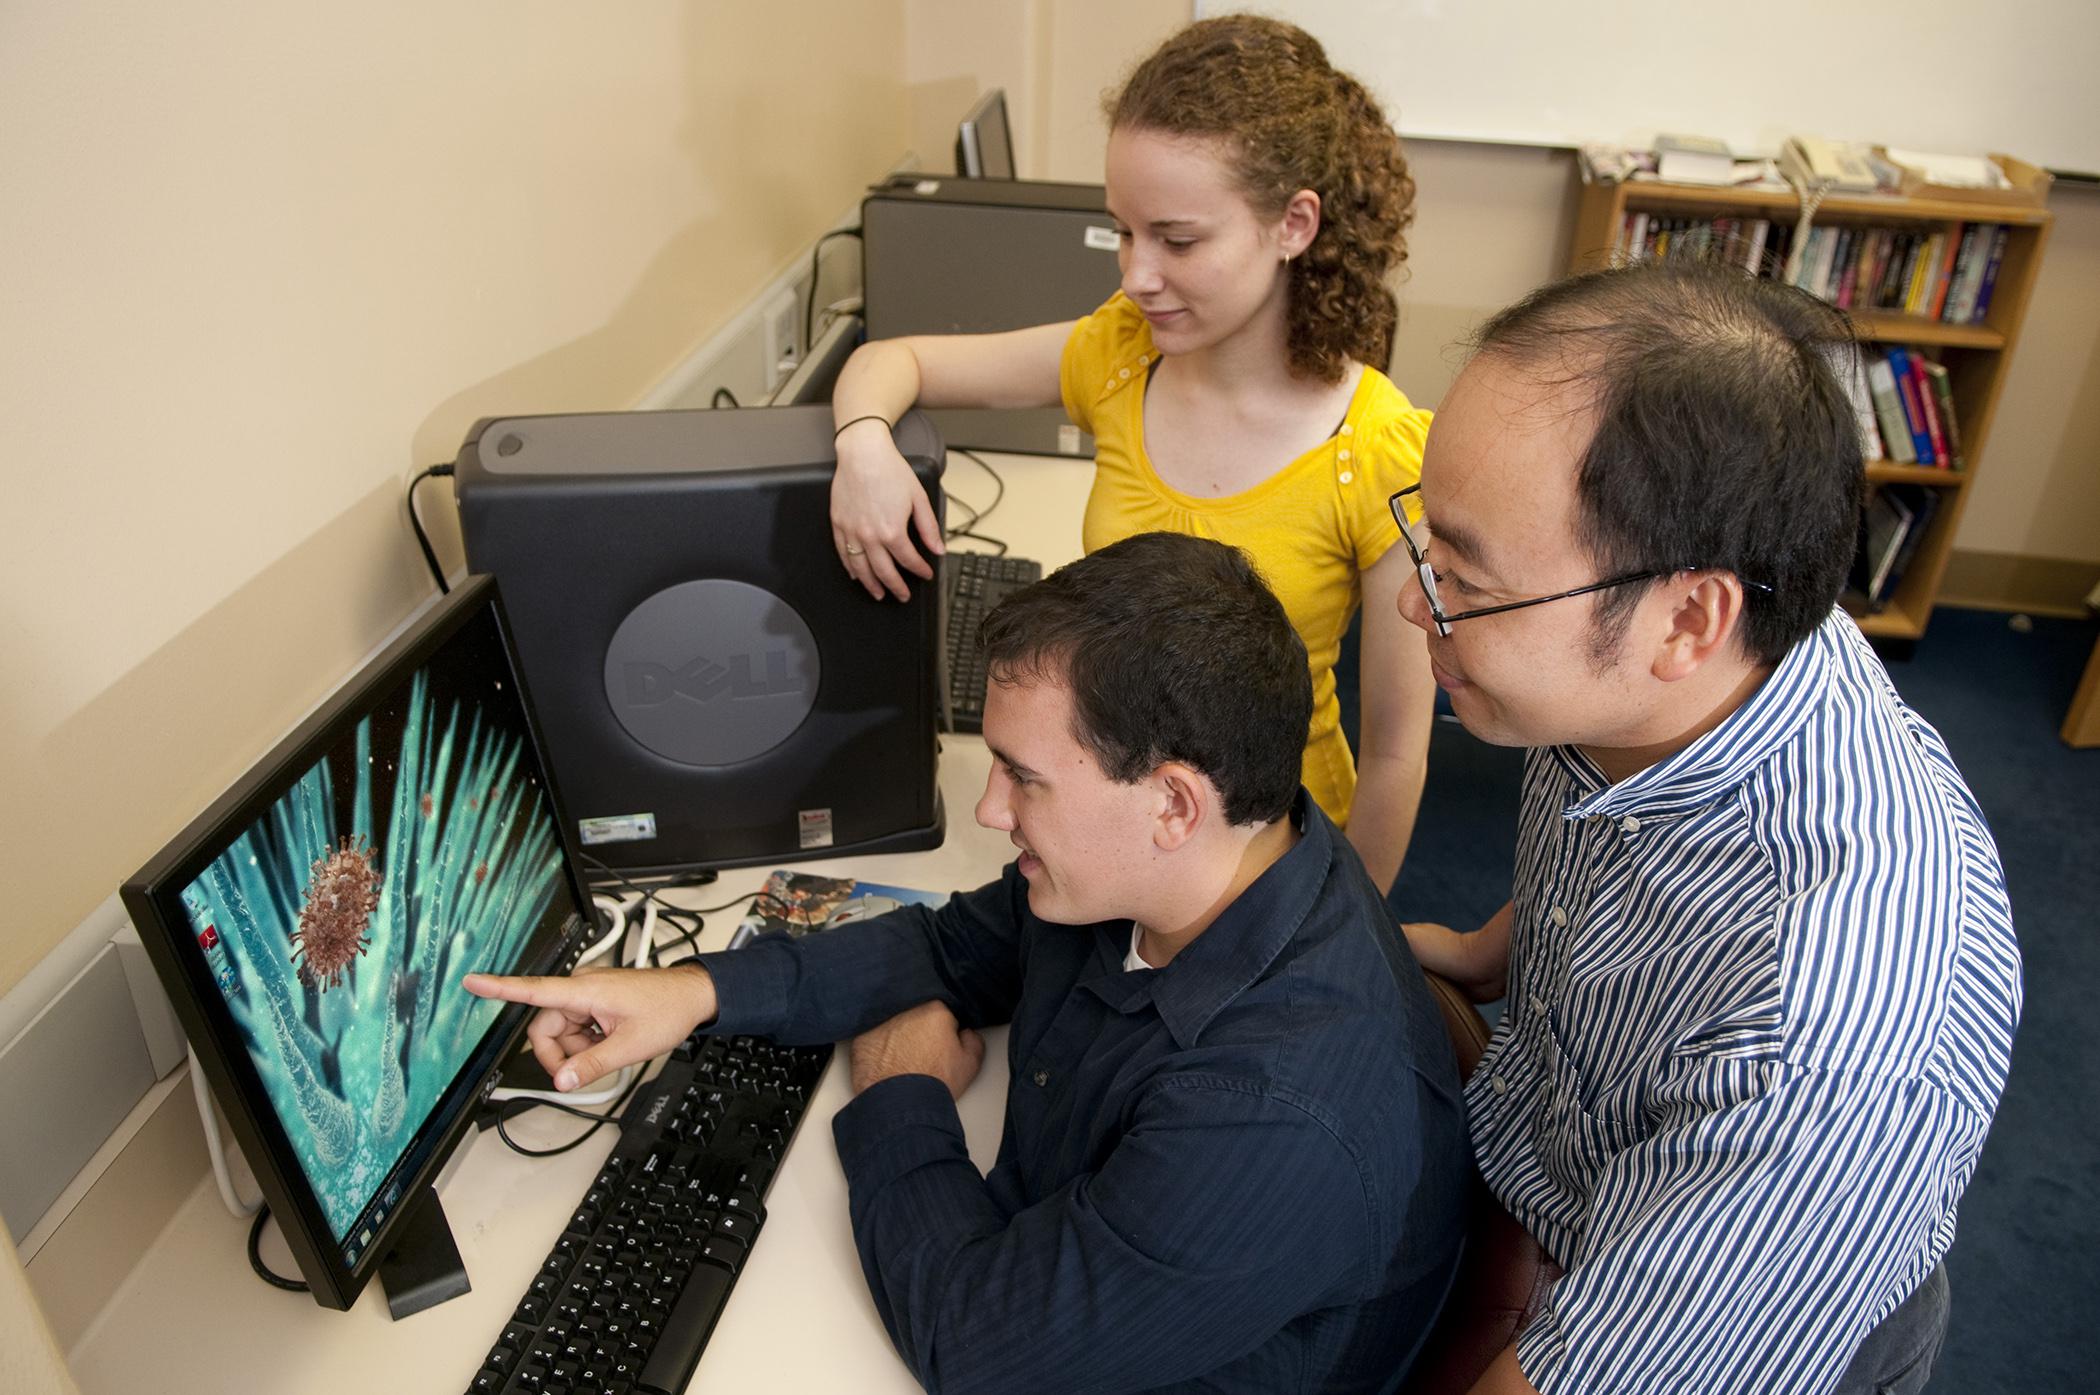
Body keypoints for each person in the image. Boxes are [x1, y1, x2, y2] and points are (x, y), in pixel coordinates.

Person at [468, 531, 1470, 1395]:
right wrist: (693, 993)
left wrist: (903, 1094)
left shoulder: (1274, 1112)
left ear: (1172, 803)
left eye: (1024, 779)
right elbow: (948, 949)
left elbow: (977, 1348)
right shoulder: (1187, 865)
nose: (991, 811)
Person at [1393, 259, 2022, 1395]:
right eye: (1427, 547)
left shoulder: (1814, 1058)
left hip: (1715, 1317)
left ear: (1689, 616)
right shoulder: (1698, 656)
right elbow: (1617, 848)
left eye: (1466, 582)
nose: (1412, 602)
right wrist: (1491, 955)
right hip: (1561, 1151)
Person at [826, 14, 1434, 891]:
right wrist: (864, 446)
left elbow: (1395, 763)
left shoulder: (1376, 453)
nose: (1136, 275)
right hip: (1110, 831)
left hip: (1270, 859)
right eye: (1123, 231)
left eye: (1177, 240)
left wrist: (1344, 933)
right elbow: (894, 361)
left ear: (1294, 224)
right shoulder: (1120, 355)